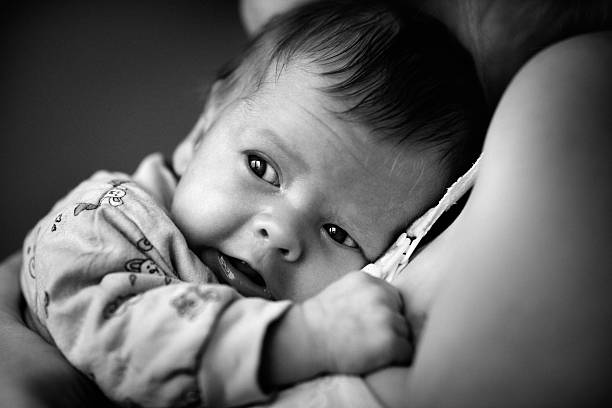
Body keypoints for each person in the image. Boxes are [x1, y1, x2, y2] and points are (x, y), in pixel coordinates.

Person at [1, 1, 611, 408]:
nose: (282, 232)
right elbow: (122, 339)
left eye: (341, 234)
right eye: (263, 167)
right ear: (204, 127)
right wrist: (304, 337)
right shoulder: (102, 225)